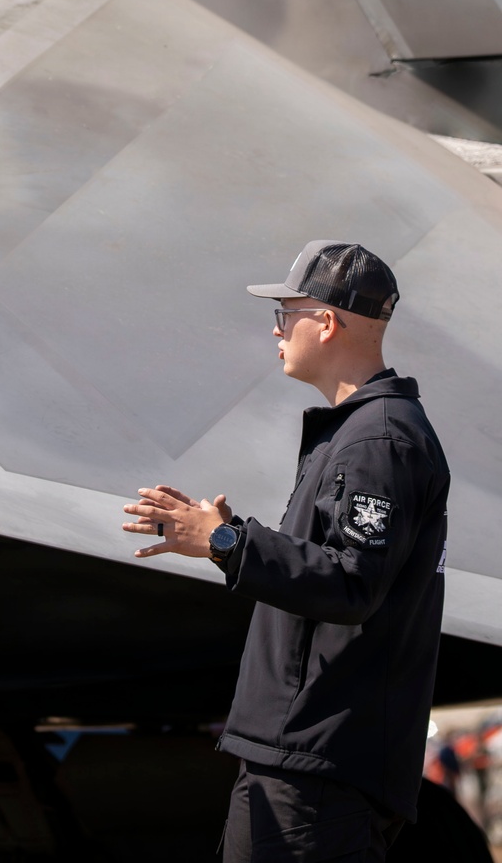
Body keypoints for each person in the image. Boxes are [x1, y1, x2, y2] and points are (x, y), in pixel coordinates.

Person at [122, 240, 450, 862]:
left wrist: (225, 542)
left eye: (284, 314)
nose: (275, 331)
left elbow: (353, 585)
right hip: (311, 759)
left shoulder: (377, 440)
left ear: (325, 323)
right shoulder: (368, 433)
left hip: (319, 767)